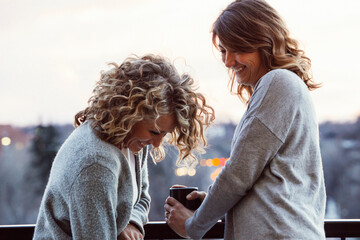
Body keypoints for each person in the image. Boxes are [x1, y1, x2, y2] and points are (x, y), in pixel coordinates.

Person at [164, 0, 326, 239]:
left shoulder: (278, 82)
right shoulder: (285, 86)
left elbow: (239, 173)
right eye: (223, 50)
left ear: (264, 43)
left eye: (237, 49)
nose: (228, 62)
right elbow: (267, 180)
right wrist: (212, 200)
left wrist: (193, 226)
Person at [33, 54, 214, 240]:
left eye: (164, 134)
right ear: (130, 113)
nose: (157, 143)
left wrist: (131, 221)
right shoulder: (95, 165)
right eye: (154, 132)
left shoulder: (130, 140)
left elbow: (142, 197)